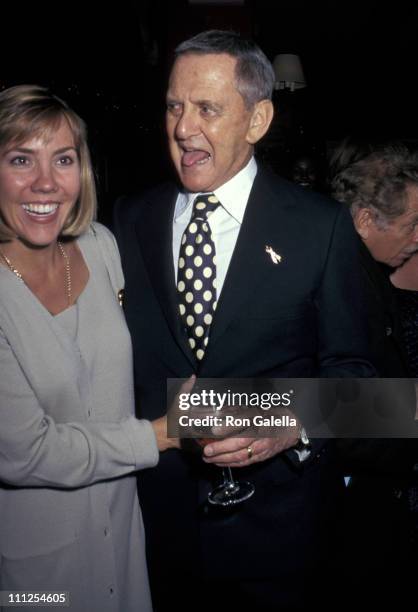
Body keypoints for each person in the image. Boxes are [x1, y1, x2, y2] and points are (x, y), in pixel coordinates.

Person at [114, 30, 374, 611]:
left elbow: (371, 388)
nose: (183, 128)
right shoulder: (129, 218)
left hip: (279, 544)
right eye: (174, 106)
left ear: (258, 120)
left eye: (207, 109)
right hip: (152, 536)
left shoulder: (320, 227)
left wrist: (289, 421)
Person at [0, 85, 183, 612]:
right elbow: (25, 454)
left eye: (63, 159)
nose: (45, 183)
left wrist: (270, 405)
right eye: (20, 159)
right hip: (35, 574)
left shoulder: (100, 247)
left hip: (123, 542)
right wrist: (160, 434)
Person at [330, 142, 418, 607]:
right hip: (341, 507)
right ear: (365, 220)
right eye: (411, 225)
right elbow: (334, 409)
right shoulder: (339, 283)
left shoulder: (370, 274)